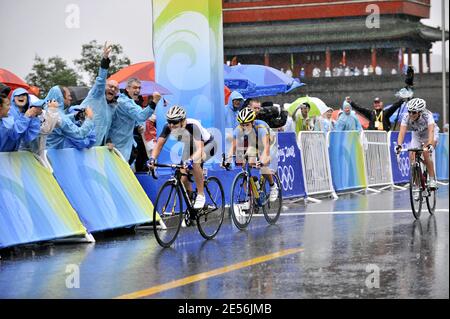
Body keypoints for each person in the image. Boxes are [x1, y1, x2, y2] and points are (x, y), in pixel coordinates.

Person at [147, 105, 217, 209]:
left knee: (195, 163)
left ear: (183, 121)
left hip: (208, 145)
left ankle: (201, 195)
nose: (171, 125)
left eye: (175, 122)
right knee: (182, 178)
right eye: (169, 121)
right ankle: (191, 203)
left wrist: (190, 160)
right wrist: (152, 159)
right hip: (190, 146)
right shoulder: (168, 127)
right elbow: (159, 145)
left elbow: (200, 149)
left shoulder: (193, 126)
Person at [225, 107, 278, 202]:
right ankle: (253, 189)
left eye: (247, 125)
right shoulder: (238, 129)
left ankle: (273, 186)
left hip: (269, 142)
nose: (244, 127)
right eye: (242, 125)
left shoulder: (261, 127)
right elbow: (233, 147)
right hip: (254, 143)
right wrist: (227, 160)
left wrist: (262, 161)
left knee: (263, 166)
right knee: (246, 163)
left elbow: (266, 149)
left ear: (253, 122)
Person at [108, 78, 159, 162]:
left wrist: (138, 126)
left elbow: (131, 118)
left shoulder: (129, 101)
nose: (138, 90)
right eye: (135, 88)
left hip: (127, 145)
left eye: (139, 88)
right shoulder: (124, 102)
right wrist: (154, 102)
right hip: (117, 145)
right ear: (127, 89)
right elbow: (141, 116)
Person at [79, 42, 119, 147]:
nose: (113, 89)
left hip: (97, 149)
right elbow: (101, 80)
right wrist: (105, 60)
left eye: (116, 89)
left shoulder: (112, 108)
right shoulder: (96, 95)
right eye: (110, 86)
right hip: (81, 144)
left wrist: (108, 141)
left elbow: (107, 128)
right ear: (105, 86)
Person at [395, 98, 437, 189]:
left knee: (426, 153)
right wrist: (399, 145)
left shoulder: (427, 116)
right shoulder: (406, 117)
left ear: (420, 112)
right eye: (409, 111)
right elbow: (402, 132)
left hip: (430, 135)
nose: (411, 114)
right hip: (417, 134)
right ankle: (418, 186)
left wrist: (429, 144)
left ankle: (432, 179)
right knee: (412, 155)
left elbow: (431, 131)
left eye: (414, 112)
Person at [346, 90, 412, 132]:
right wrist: (351, 102)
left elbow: (394, 107)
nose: (377, 104)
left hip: (383, 136)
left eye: (378, 102)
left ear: (381, 103)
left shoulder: (385, 113)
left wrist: (401, 101)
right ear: (373, 104)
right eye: (375, 103)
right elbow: (359, 108)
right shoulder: (370, 113)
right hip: (372, 137)